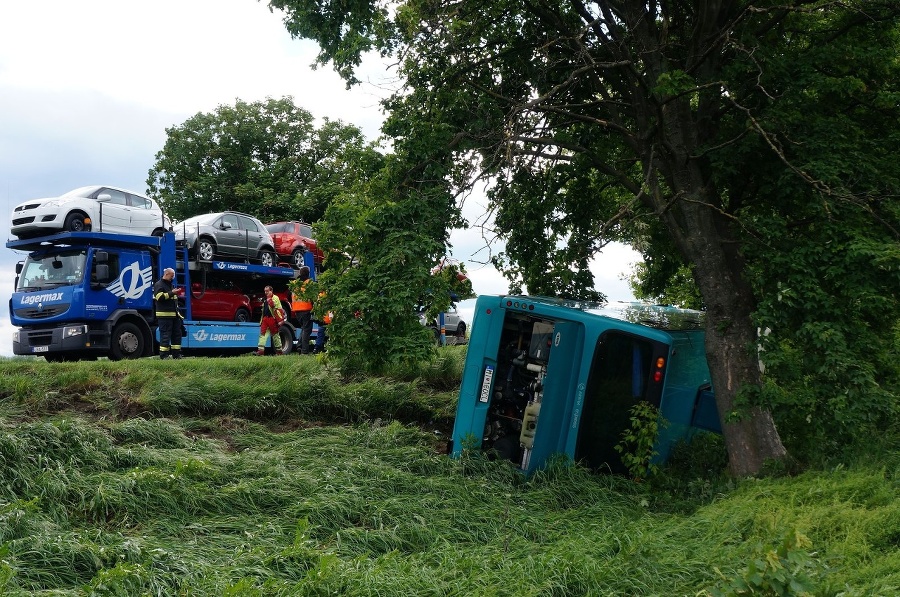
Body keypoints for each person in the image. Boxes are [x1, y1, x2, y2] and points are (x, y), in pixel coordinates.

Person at [153, 267, 184, 359]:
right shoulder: (159, 284)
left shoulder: (170, 285)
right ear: (166, 274)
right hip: (164, 316)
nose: (172, 278)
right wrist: (172, 293)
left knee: (177, 335)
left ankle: (176, 355)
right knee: (165, 336)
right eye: (171, 276)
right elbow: (159, 297)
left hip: (174, 316)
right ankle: (164, 356)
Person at [256, 285, 285, 356]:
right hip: (266, 319)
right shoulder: (266, 298)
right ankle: (260, 351)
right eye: (265, 291)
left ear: (271, 291)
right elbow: (264, 311)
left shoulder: (275, 297)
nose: (265, 292)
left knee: (275, 335)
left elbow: (272, 305)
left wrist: (268, 298)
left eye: (267, 291)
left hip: (273, 318)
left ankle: (279, 352)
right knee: (262, 334)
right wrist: (261, 321)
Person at [291, 266, 314, 355]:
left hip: (297, 311)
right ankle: (304, 351)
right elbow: (312, 297)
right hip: (306, 309)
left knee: (304, 329)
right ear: (308, 273)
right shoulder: (309, 283)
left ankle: (300, 346)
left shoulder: (294, 284)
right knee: (307, 330)